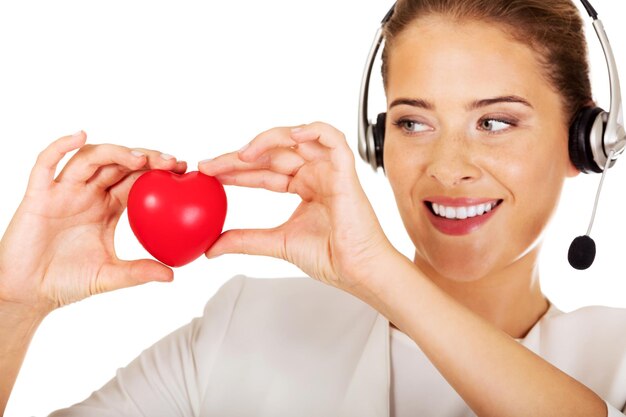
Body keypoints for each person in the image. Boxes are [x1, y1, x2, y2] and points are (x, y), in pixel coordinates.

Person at [1, 0, 625, 415]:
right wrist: (13, 304)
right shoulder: (244, 328)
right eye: (413, 122)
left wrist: (380, 274)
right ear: (378, 145)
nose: (446, 167)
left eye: (495, 121)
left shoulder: (616, 354)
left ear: (585, 144)